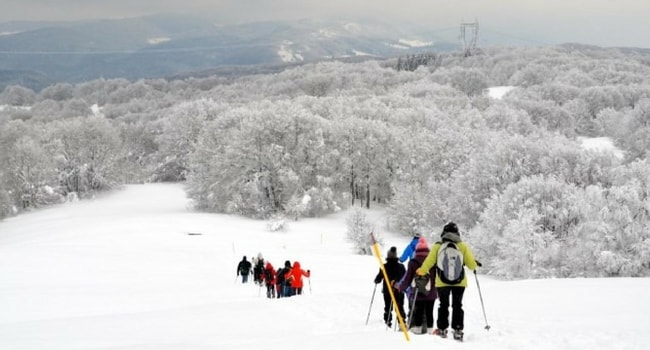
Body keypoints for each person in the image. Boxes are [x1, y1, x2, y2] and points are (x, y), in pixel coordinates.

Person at [416, 222, 478, 341]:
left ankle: (442, 329)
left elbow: (429, 262)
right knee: (457, 305)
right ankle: (458, 330)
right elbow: (471, 264)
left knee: (443, 305)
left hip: (442, 282)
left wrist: (422, 271)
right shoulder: (462, 246)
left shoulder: (438, 246)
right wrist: (475, 264)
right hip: (459, 283)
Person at [395, 237, 437, 334]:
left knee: (419, 310)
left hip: (417, 291)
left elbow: (408, 278)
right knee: (429, 311)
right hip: (431, 292)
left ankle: (418, 328)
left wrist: (400, 287)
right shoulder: (432, 261)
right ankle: (430, 330)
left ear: (417, 250)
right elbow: (436, 277)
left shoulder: (413, 262)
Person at [373, 246, 406, 328]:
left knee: (388, 307)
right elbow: (405, 278)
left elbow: (379, 278)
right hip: (398, 290)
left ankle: (388, 322)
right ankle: (402, 323)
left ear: (388, 256)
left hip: (387, 291)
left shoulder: (384, 266)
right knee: (399, 306)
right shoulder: (401, 267)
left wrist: (376, 280)